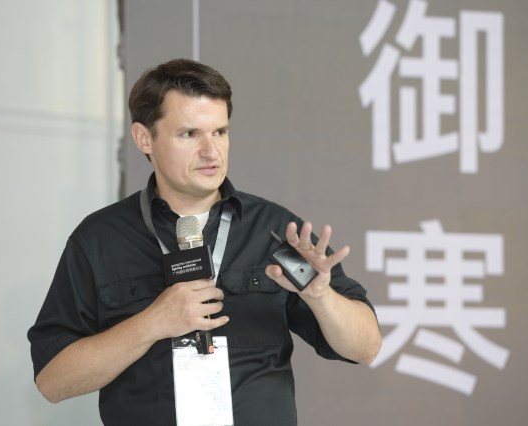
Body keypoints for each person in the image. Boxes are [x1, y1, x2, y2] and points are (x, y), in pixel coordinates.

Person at [28, 58, 381, 425]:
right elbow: (52, 381)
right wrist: (152, 324)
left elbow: (367, 347)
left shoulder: (273, 229)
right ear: (144, 138)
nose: (212, 152)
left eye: (220, 132)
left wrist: (321, 297)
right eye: (189, 134)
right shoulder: (100, 239)